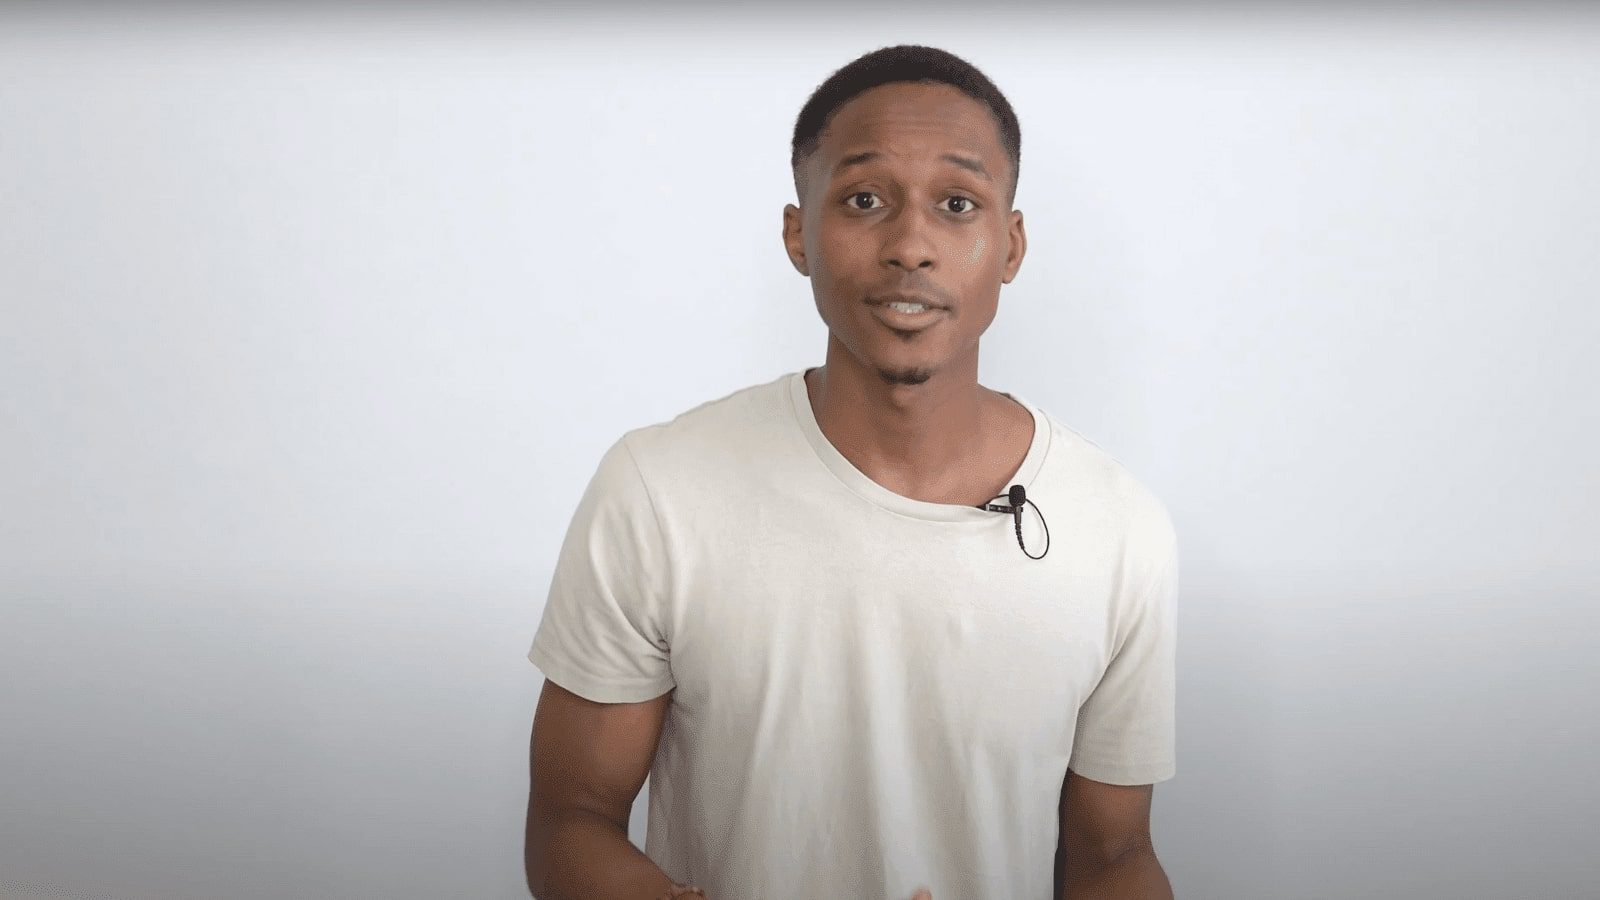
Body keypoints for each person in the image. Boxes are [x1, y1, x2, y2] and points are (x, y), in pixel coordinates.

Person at [523, 44, 1178, 900]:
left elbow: (1115, 859)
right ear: (799, 231)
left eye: (956, 203)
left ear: (1010, 244)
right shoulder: (659, 489)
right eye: (864, 199)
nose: (911, 244)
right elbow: (571, 820)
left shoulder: (1121, 529)